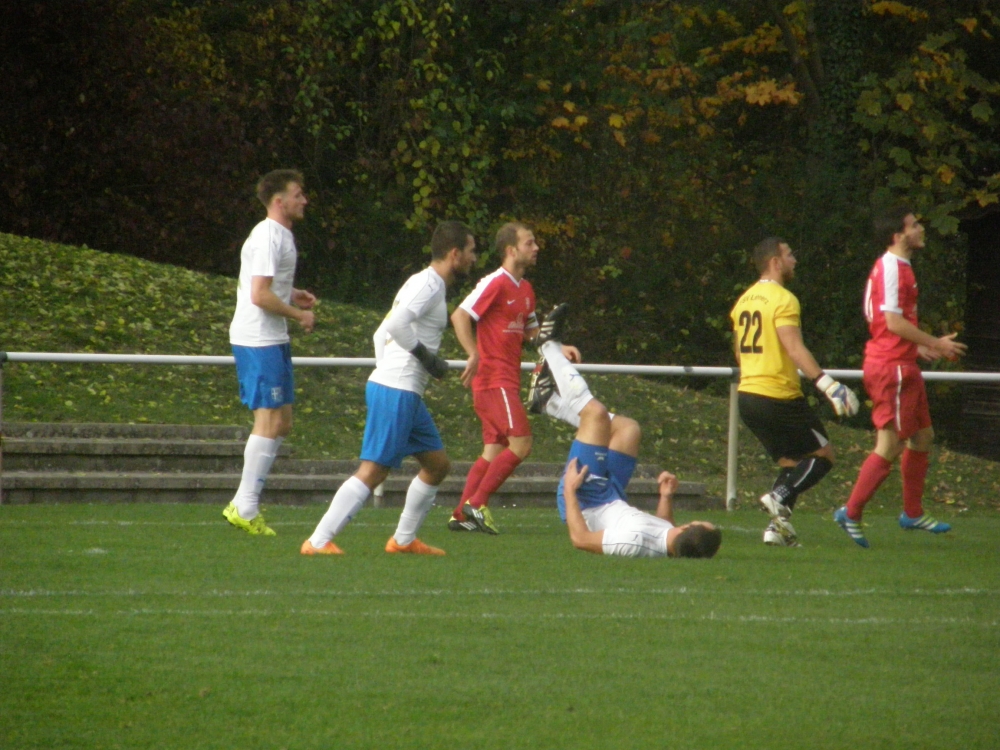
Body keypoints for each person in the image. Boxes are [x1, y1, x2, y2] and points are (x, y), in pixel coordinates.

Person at [301, 221, 477, 556]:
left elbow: (380, 332)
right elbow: (395, 325)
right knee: (374, 470)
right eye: (471, 251)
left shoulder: (425, 283)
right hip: (398, 390)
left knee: (437, 465)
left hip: (402, 390)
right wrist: (425, 360)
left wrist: (388, 371)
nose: (474, 258)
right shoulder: (428, 285)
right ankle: (318, 541)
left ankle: (403, 540)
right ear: (455, 254)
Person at [535, 314, 721, 559]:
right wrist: (666, 497)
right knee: (629, 430)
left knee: (596, 415)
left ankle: (548, 346)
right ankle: (549, 402)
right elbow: (664, 530)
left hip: (586, 497)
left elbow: (581, 540)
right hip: (612, 496)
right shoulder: (669, 541)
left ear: (686, 528)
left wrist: (570, 490)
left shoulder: (634, 541)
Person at [834, 207, 966, 548]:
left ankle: (912, 512)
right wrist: (934, 342)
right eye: (914, 225)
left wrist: (917, 348)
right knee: (890, 444)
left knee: (923, 436)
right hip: (891, 368)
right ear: (898, 235)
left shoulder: (897, 266)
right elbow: (891, 322)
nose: (921, 229)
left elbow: (883, 321)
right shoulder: (892, 267)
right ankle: (851, 512)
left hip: (902, 362)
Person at [448, 221, 580, 535]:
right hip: (493, 379)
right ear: (511, 250)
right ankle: (477, 505)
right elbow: (460, 315)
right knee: (522, 443)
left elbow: (532, 333)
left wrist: (559, 347)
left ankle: (460, 514)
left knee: (493, 450)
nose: (536, 248)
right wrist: (473, 353)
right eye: (529, 243)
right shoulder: (496, 282)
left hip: (504, 381)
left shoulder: (525, 289)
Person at [730, 237, 860, 546]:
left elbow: (738, 352)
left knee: (791, 462)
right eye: (789, 255)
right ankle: (779, 496)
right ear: (775, 262)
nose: (794, 261)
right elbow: (794, 347)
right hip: (777, 394)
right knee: (823, 455)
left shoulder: (744, 300)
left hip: (748, 396)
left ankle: (777, 530)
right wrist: (829, 385)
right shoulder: (783, 298)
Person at [224, 169, 317, 536]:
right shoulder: (267, 236)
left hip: (273, 337)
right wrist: (298, 314)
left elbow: (264, 284)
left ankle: (243, 502)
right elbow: (259, 295)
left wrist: (292, 293)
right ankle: (245, 506)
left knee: (283, 422)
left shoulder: (281, 235)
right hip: (257, 337)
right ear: (279, 201)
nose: (304, 200)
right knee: (268, 421)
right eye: (298, 194)